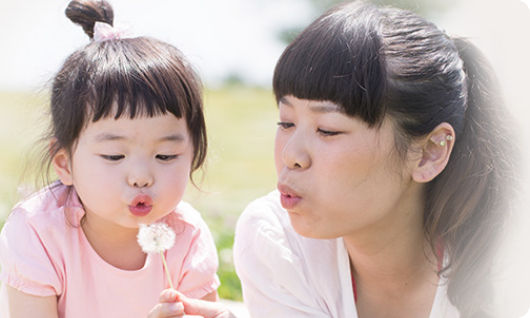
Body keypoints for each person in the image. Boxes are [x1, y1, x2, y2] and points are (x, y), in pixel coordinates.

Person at [156, 1, 520, 317]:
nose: (290, 155)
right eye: (286, 122)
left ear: (429, 151)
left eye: (328, 130)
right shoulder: (277, 240)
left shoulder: (510, 261)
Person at [0, 1, 220, 317]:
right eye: (114, 155)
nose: (141, 176)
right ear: (64, 164)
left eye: (165, 155)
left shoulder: (187, 235)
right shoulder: (38, 230)